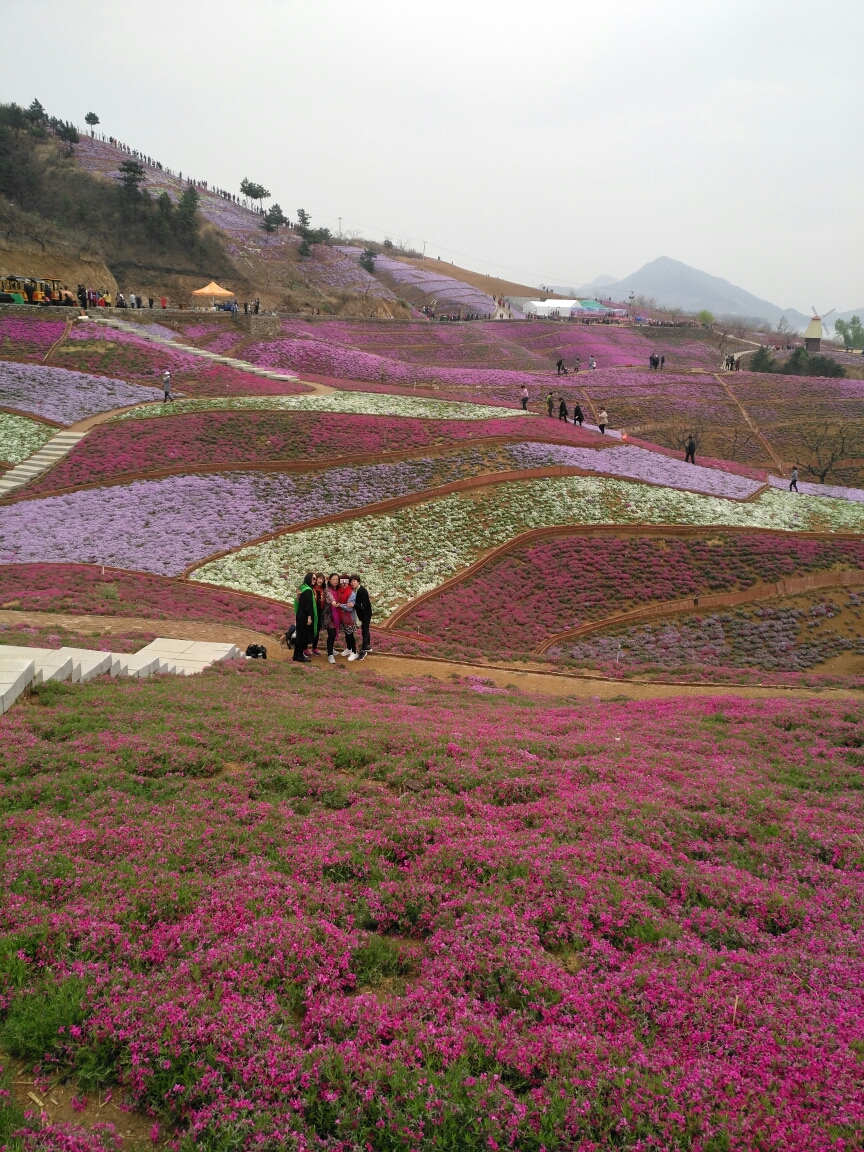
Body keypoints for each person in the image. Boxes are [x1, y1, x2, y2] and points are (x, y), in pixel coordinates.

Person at [292, 574, 317, 663]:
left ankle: (296, 655)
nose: (315, 580)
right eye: (313, 578)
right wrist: (309, 617)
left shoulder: (302, 588)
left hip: (300, 615)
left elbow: (299, 601)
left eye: (315, 579)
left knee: (299, 635)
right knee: (302, 637)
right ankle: (300, 656)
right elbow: (308, 606)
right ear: (309, 579)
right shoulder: (308, 590)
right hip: (305, 616)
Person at [351, 575, 372, 659]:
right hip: (363, 614)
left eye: (354, 581)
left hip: (365, 614)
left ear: (358, 582)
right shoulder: (357, 590)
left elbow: (364, 604)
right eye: (351, 581)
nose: (352, 583)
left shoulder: (362, 591)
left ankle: (363, 651)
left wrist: (354, 605)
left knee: (365, 632)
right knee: (365, 630)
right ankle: (367, 646)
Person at [323, 572, 341, 663]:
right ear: (329, 580)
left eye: (337, 579)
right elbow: (330, 598)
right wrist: (334, 603)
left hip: (336, 615)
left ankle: (329, 649)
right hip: (329, 616)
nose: (335, 581)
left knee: (333, 634)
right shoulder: (327, 590)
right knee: (332, 634)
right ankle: (330, 655)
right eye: (333, 579)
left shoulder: (338, 590)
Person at [311, 573, 326, 656]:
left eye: (322, 579)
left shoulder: (323, 589)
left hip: (320, 612)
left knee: (317, 630)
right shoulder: (311, 589)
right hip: (312, 612)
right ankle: (305, 648)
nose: (320, 580)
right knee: (310, 629)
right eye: (319, 578)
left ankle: (314, 648)